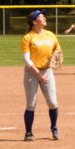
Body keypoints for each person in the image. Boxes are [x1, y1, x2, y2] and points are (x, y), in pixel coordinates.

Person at [20, 10, 63, 141]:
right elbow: (27, 60)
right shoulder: (28, 37)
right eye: (41, 16)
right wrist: (38, 73)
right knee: (31, 104)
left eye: (43, 15)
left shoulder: (51, 35)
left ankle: (54, 127)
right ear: (34, 22)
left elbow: (57, 49)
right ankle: (28, 132)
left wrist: (57, 54)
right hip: (31, 72)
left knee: (52, 102)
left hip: (47, 70)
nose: (44, 17)